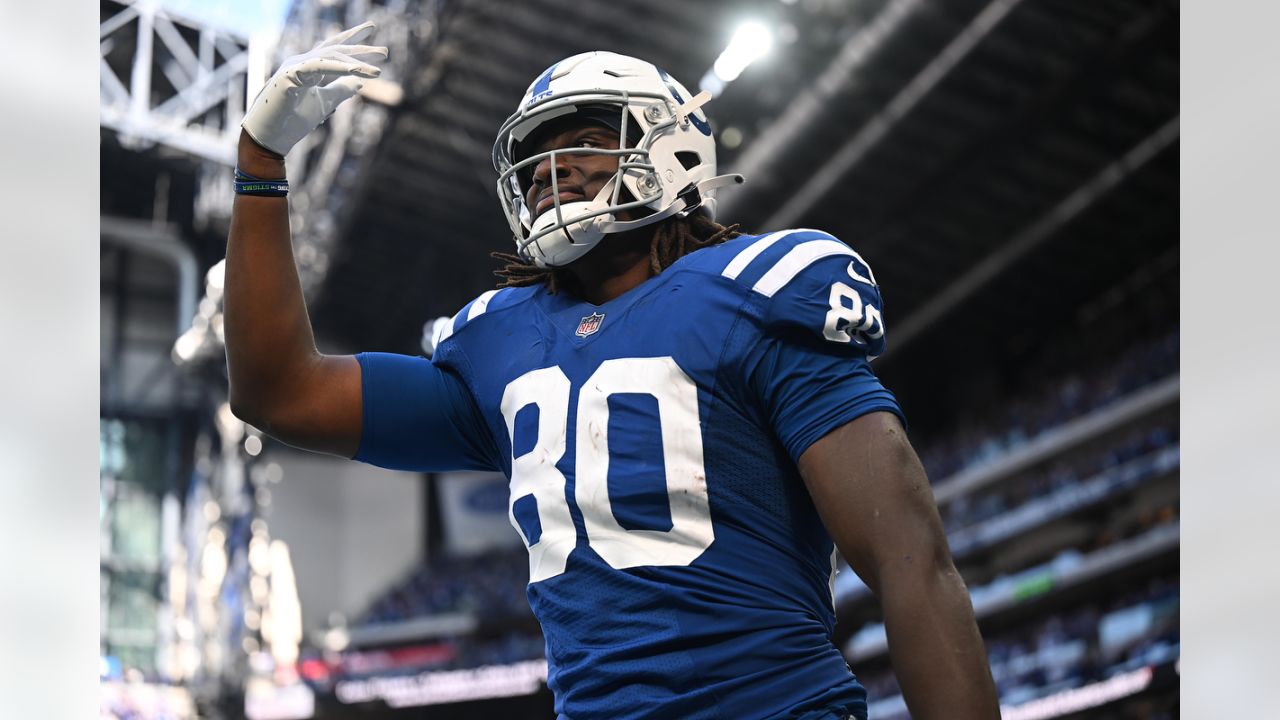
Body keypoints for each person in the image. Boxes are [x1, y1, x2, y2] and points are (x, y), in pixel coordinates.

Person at [226, 22, 1000, 720]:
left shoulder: (756, 291)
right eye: (531, 161)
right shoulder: (502, 342)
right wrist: (260, 167)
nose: (545, 172)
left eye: (584, 139)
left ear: (673, 150)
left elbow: (910, 562)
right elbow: (278, 392)